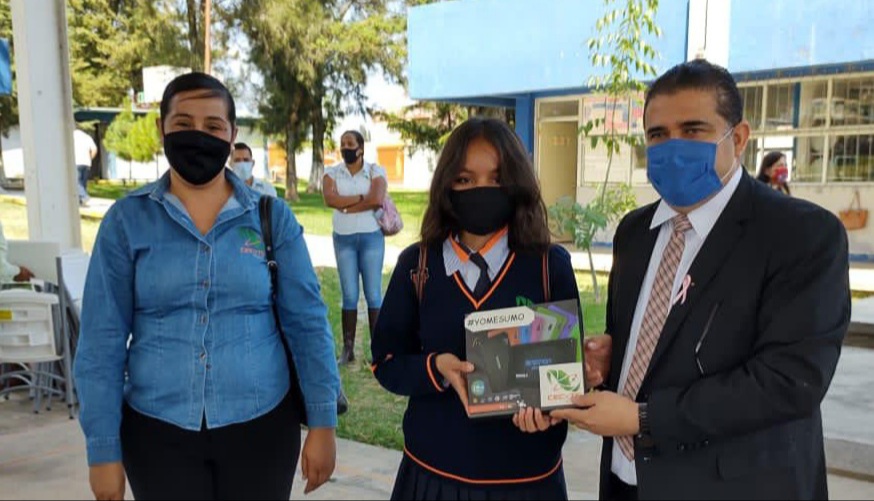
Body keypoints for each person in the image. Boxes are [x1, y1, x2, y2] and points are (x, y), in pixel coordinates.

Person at [552, 59, 850, 500]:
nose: (673, 147)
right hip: (626, 480)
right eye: (657, 135)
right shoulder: (635, 232)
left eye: (693, 130)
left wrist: (643, 418)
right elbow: (656, 341)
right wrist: (611, 360)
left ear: (740, 138)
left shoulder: (801, 235)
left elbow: (788, 382)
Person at [73, 72, 341, 501]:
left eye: (213, 127)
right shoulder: (126, 222)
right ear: (162, 128)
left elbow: (308, 323)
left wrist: (323, 423)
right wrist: (102, 451)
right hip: (157, 432)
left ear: (232, 134)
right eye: (183, 124)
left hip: (262, 428)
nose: (198, 136)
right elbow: (101, 342)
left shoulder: (272, 218)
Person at [372, 117, 581, 500]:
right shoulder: (416, 267)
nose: (480, 190)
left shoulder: (551, 266)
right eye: (465, 179)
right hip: (434, 476)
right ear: (447, 185)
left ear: (516, 183)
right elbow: (385, 362)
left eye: (496, 178)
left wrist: (547, 415)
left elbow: (565, 376)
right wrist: (436, 368)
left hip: (526, 481)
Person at [322, 130, 386, 364]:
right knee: (349, 294)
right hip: (343, 239)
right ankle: (348, 350)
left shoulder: (375, 171)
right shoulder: (332, 172)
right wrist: (362, 198)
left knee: (373, 294)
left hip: (371, 238)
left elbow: (377, 199)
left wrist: (346, 206)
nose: (345, 147)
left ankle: (378, 349)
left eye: (350, 143)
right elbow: (330, 199)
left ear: (360, 148)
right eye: (342, 144)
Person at [74, 128, 97, 207]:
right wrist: (90, 159)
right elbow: (94, 149)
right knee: (83, 183)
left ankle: (84, 196)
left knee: (77, 182)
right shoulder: (87, 137)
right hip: (87, 163)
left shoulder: (72, 136)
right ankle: (80, 202)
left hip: (76, 162)